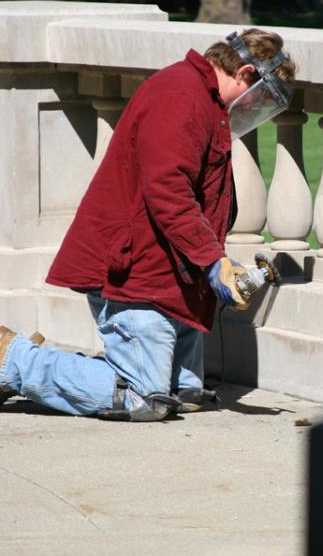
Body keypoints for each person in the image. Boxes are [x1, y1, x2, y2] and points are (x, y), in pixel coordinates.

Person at [0, 28, 296, 422]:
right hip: (134, 271)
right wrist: (212, 261)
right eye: (260, 96)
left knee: (184, 393)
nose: (254, 108)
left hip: (168, 273)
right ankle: (13, 358)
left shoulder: (201, 99)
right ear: (243, 74)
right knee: (145, 398)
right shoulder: (181, 95)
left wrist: (211, 263)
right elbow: (167, 189)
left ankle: (44, 364)